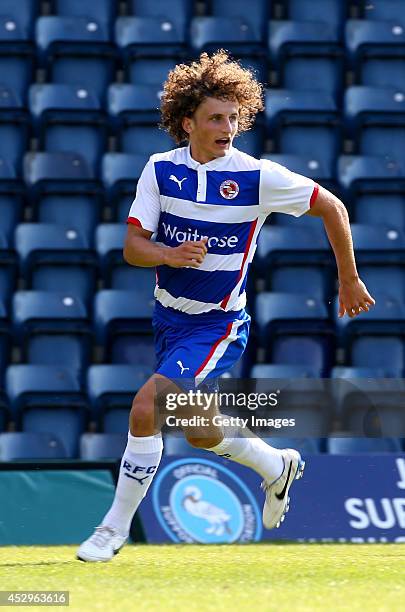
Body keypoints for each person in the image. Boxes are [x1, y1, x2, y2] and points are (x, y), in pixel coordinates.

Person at [77, 50, 375, 562]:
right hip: (168, 318)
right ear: (187, 121)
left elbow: (332, 205)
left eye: (235, 117)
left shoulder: (257, 177)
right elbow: (132, 248)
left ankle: (112, 529)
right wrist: (170, 253)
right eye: (216, 117)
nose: (228, 127)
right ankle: (276, 465)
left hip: (217, 323)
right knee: (200, 429)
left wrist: (348, 277)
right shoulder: (159, 171)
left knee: (148, 406)